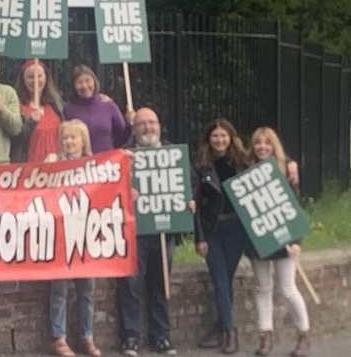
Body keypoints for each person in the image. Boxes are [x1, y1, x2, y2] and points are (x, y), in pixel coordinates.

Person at [116, 107, 195, 356]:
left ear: (159, 125)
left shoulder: (173, 154)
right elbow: (109, 187)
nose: (147, 128)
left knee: (161, 286)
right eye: (141, 124)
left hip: (164, 231)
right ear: (134, 128)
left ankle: (161, 336)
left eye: (152, 122)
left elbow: (189, 183)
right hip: (134, 232)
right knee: (130, 285)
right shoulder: (125, 155)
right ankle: (130, 337)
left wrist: (190, 201)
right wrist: (126, 191)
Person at [245, 127, 310, 356]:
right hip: (259, 237)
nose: (262, 147)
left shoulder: (286, 172)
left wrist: (297, 243)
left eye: (267, 143)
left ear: (274, 146)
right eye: (258, 143)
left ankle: (303, 335)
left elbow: (295, 210)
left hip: (285, 238)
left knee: (288, 288)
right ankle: (265, 338)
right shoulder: (247, 171)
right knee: (262, 289)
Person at [44, 119, 101, 357]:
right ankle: (59, 338)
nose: (69, 141)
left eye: (73, 137)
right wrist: (48, 165)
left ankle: (86, 336)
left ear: (83, 140)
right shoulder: (54, 161)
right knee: (59, 291)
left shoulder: (96, 165)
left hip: (86, 236)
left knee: (86, 291)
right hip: (60, 236)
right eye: (65, 137)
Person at [192, 118, 249, 354]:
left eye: (223, 136)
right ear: (208, 139)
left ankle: (218, 330)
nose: (219, 140)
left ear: (231, 137)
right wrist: (199, 238)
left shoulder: (243, 162)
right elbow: (194, 205)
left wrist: (290, 163)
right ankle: (230, 334)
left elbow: (270, 160)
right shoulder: (200, 166)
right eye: (215, 136)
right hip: (212, 230)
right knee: (220, 280)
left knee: (225, 280)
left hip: (236, 230)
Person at [63, 64, 134, 154]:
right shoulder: (68, 109)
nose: (84, 86)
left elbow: (122, 137)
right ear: (73, 86)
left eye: (88, 81)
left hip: (105, 162)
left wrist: (129, 124)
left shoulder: (108, 105)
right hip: (80, 164)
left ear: (94, 82)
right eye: (79, 82)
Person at [10, 59, 64, 163]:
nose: (35, 80)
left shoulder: (56, 105)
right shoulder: (16, 106)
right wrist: (31, 122)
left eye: (39, 76)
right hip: (30, 166)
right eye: (30, 77)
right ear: (23, 80)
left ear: (46, 78)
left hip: (57, 167)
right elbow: (14, 139)